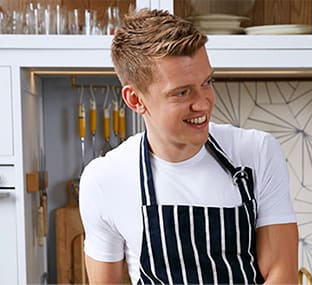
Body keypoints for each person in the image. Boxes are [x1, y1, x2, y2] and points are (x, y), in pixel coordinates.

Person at [79, 8, 298, 285]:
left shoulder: (256, 152)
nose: (203, 103)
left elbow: (282, 274)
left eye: (207, 82)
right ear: (135, 100)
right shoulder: (104, 179)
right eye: (182, 92)